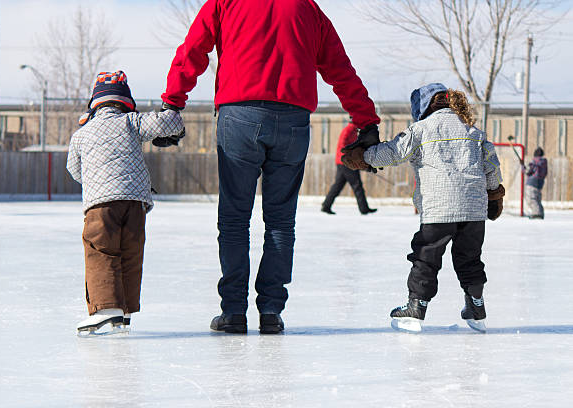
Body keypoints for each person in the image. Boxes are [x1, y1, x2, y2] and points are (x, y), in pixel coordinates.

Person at [162, 0, 380, 334]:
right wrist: (366, 120)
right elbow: (340, 69)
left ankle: (234, 311)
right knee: (281, 221)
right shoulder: (308, 9)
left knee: (234, 218)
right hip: (292, 120)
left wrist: (173, 102)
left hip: (240, 115)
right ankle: (271, 312)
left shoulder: (226, 3)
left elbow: (194, 49)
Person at [342, 83, 504, 333]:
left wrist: (364, 157)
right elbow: (491, 164)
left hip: (439, 208)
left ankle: (416, 306)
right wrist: (493, 195)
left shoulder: (421, 129)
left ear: (422, 106)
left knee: (426, 257)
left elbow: (393, 153)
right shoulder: (473, 131)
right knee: (470, 258)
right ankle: (476, 306)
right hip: (474, 210)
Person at [67, 71, 185, 335]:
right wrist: (172, 112)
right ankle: (125, 310)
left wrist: (96, 179)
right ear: (126, 101)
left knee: (101, 250)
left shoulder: (82, 134)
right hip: (135, 202)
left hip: (101, 204)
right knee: (131, 252)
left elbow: (74, 169)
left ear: (94, 103)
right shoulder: (132, 122)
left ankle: (107, 309)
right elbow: (170, 122)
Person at [321, 119, 377, 215]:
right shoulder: (349, 130)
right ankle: (364, 208)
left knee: (338, 186)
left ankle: (326, 205)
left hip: (343, 162)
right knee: (357, 185)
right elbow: (343, 146)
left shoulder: (353, 131)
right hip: (346, 162)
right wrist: (352, 156)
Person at [525, 147, 548, 219]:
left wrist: (523, 166)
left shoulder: (534, 162)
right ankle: (540, 212)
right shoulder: (544, 162)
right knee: (538, 199)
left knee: (532, 198)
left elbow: (528, 171)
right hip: (540, 182)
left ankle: (536, 214)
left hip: (532, 182)